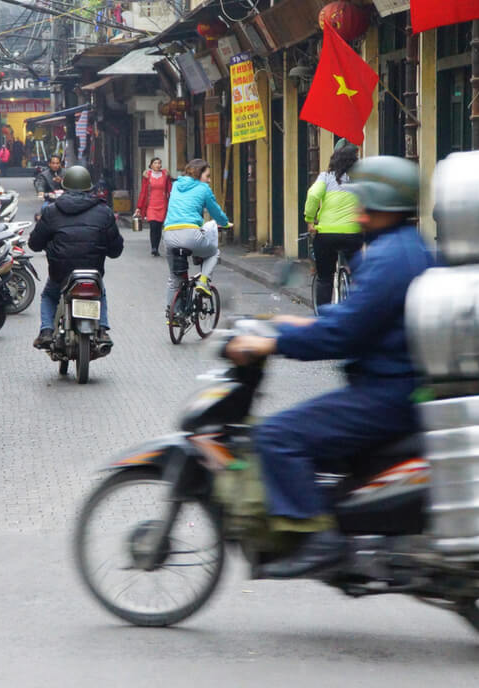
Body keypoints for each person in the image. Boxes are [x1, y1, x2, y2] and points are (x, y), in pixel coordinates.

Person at [224, 156, 433, 579]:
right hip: (399, 384)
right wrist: (293, 322)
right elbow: (362, 318)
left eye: (362, 202)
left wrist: (273, 341)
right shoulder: (408, 249)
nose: (355, 211)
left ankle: (320, 542)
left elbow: (343, 335)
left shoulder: (389, 260)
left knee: (277, 436)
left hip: (387, 394)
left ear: (378, 206)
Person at [29, 165, 123, 350]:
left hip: (60, 272)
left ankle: (46, 331)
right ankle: (103, 330)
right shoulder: (104, 211)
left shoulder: (51, 211)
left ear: (65, 186)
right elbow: (116, 250)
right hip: (92, 270)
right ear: (90, 187)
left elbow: (34, 243)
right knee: (100, 292)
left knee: (49, 295)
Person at [162, 158, 229, 310]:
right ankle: (203, 281)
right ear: (199, 174)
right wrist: (225, 223)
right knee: (213, 252)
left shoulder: (176, 185)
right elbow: (216, 212)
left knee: (174, 278)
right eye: (208, 176)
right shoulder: (204, 188)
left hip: (169, 235)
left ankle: (174, 316)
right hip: (190, 234)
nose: (209, 180)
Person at [303, 140, 363, 306]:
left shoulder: (326, 177)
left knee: (325, 277)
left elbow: (314, 195)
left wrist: (310, 220)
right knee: (358, 274)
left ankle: (324, 318)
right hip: (353, 233)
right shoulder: (361, 178)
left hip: (327, 234)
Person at [134, 157, 172, 256]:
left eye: (159, 163)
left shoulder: (165, 175)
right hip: (151, 205)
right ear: (151, 165)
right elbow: (143, 192)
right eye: (155, 163)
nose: (158, 165)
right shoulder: (147, 176)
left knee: (159, 227)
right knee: (153, 226)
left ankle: (156, 247)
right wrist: (139, 207)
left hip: (162, 204)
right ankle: (153, 247)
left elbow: (170, 190)